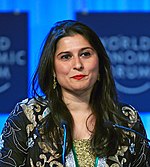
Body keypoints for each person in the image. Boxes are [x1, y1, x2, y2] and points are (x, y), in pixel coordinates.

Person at [0, 20, 150, 167]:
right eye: (66, 57)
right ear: (52, 69)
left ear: (99, 63)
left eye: (85, 54)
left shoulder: (126, 120)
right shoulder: (28, 116)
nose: (78, 65)